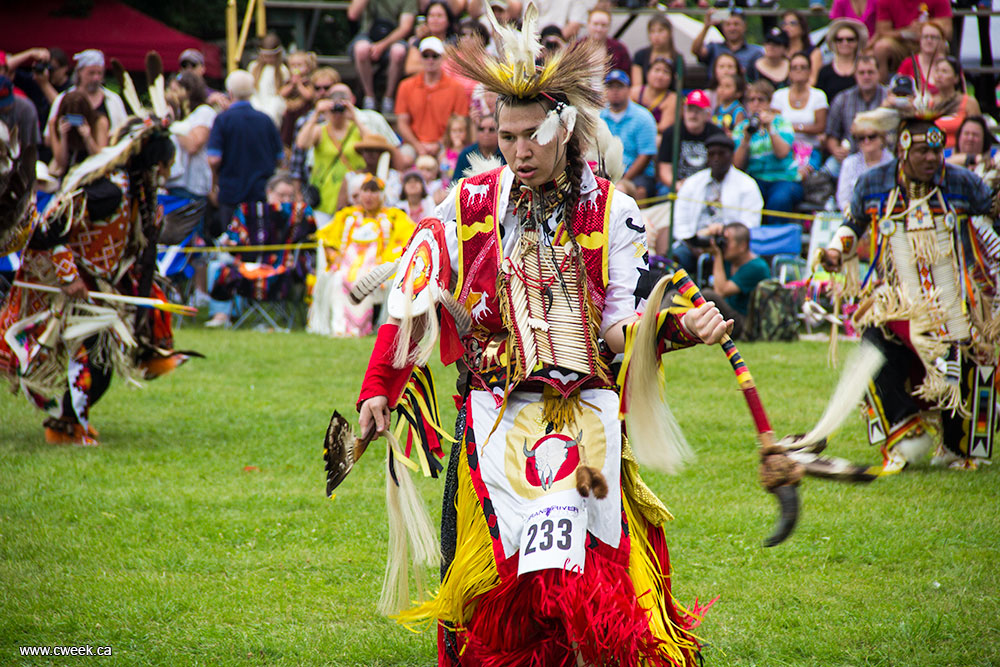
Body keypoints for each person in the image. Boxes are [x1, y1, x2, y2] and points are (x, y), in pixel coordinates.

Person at [353, 15, 736, 664]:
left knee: (593, 595)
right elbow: (410, 299)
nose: (519, 150)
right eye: (506, 136)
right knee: (486, 594)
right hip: (491, 418)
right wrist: (377, 390)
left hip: (582, 419)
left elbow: (620, 323)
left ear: (566, 129)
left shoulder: (611, 210)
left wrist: (675, 327)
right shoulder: (469, 203)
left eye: (532, 135)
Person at [820, 110, 1000, 473]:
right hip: (896, 298)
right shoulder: (874, 183)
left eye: (937, 151)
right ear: (903, 151)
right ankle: (903, 436)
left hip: (954, 295)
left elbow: (990, 216)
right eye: (922, 152)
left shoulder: (962, 182)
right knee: (874, 347)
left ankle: (958, 446)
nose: (932, 159)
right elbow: (853, 222)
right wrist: (837, 250)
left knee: (967, 350)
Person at [0, 118, 187, 446]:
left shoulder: (131, 186)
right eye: (165, 167)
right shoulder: (108, 191)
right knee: (96, 358)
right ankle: (67, 427)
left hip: (94, 283)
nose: (166, 175)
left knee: (98, 357)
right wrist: (70, 278)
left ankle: (69, 423)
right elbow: (48, 232)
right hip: (64, 282)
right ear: (153, 163)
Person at [307, 175, 414, 336]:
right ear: (359, 194)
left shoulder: (393, 217)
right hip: (347, 264)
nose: (369, 196)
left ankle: (359, 328)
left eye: (374, 191)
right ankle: (340, 327)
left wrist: (389, 263)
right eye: (365, 191)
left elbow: (406, 239)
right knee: (338, 279)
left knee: (365, 279)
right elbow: (327, 237)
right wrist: (333, 254)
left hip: (376, 266)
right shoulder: (347, 216)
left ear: (382, 195)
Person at [206, 173, 317, 327]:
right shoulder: (249, 212)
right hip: (248, 268)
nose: (286, 200)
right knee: (217, 267)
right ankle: (222, 316)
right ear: (268, 192)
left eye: (290, 196)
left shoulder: (299, 214)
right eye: (281, 195)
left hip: (282, 271)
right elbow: (232, 239)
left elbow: (311, 233)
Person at [207, 70, 284, 237]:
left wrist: (214, 184)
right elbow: (280, 158)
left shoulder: (223, 120)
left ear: (230, 92)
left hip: (230, 192)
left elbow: (214, 159)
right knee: (258, 242)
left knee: (232, 243)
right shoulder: (265, 120)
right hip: (260, 192)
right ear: (251, 92)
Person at [668, 133, 763, 266]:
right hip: (694, 241)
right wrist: (691, 243)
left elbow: (750, 223)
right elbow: (679, 220)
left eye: (721, 154)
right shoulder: (693, 182)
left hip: (729, 244)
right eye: (712, 154)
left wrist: (726, 232)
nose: (716, 159)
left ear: (731, 155)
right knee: (675, 258)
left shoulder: (747, 185)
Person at [295, 82, 366, 226]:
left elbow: (372, 143)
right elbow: (301, 144)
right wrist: (316, 114)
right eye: (335, 109)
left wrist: (354, 116)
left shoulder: (356, 130)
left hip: (352, 195)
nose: (337, 114)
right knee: (325, 240)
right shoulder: (320, 130)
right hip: (325, 195)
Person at [733, 80, 803, 223]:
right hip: (755, 179)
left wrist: (770, 128)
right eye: (752, 100)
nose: (756, 104)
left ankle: (774, 240)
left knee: (779, 200)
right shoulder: (742, 128)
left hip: (783, 178)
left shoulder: (782, 123)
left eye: (761, 100)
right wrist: (746, 139)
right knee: (746, 196)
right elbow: (737, 165)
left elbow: (782, 153)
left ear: (770, 102)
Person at [395, 37, 470, 158]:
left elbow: (460, 123)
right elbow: (402, 123)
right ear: (420, 57)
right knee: (404, 157)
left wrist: (440, 144)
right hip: (414, 144)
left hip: (445, 145)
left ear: (442, 58)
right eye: (426, 56)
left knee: (450, 160)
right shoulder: (406, 86)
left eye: (435, 56)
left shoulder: (456, 87)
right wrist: (417, 145)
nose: (430, 60)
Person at [700, 221, 770, 339]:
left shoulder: (757, 267)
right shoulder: (729, 259)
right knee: (677, 294)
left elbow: (720, 291)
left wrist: (717, 255)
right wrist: (710, 231)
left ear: (742, 246)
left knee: (708, 295)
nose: (723, 245)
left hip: (745, 324)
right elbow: (693, 240)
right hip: (726, 317)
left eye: (727, 241)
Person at [45, 50, 127, 145]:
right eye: (91, 73)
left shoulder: (113, 100)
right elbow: (48, 139)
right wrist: (62, 134)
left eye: (99, 73)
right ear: (79, 72)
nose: (96, 78)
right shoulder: (63, 99)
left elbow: (125, 137)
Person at [347, 0, 417, 113]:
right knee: (361, 49)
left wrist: (382, 46)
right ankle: (369, 97)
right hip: (367, 36)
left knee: (398, 52)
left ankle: (388, 98)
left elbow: (405, 27)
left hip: (394, 37)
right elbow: (352, 14)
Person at [601, 69, 659, 200]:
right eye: (610, 86)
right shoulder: (598, 115)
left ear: (629, 90)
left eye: (620, 86)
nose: (615, 91)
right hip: (604, 171)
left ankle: (640, 220)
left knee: (640, 191)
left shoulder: (643, 117)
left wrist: (622, 179)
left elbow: (646, 155)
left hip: (636, 174)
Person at [825, 55, 887, 171]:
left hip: (882, 157)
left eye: (870, 72)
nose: (866, 76)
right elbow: (831, 134)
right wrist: (836, 150)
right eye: (862, 73)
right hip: (850, 157)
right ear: (855, 75)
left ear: (878, 73)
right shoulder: (842, 99)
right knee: (829, 168)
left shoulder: (888, 98)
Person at [656, 89, 724, 191]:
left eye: (697, 111)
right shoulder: (671, 133)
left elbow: (721, 169)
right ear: (684, 112)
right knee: (663, 192)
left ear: (707, 114)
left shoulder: (717, 135)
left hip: (707, 185)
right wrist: (677, 185)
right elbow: (665, 169)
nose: (693, 115)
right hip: (678, 184)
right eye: (690, 110)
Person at [771, 52, 829, 171]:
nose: (799, 70)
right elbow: (775, 125)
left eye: (803, 67)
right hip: (785, 149)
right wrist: (804, 128)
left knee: (802, 173)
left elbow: (820, 127)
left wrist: (792, 127)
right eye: (794, 67)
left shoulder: (818, 95)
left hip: (810, 149)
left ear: (809, 71)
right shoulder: (779, 95)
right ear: (789, 72)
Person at [871, 0, 952, 82]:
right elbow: (882, 32)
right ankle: (881, 88)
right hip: (900, 42)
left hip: (927, 39)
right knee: (880, 47)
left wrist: (926, 27)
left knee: (941, 45)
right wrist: (907, 33)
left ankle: (938, 84)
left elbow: (948, 31)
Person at [835, 107, 894, 211]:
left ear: (882, 138)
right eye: (861, 138)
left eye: (871, 136)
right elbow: (843, 200)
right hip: (856, 215)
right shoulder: (849, 163)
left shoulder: (892, 162)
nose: (867, 141)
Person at [49, 91, 108, 178]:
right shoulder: (54, 123)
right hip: (68, 172)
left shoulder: (99, 121)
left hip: (93, 172)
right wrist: (63, 137)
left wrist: (88, 138)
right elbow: (61, 163)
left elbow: (101, 159)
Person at [692, 7, 764, 75]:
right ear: (723, 27)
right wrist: (706, 26)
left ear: (744, 26)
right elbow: (696, 50)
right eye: (728, 24)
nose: (732, 28)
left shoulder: (755, 52)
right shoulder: (714, 48)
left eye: (736, 24)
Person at [931, 57, 981, 150]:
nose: (939, 75)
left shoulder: (969, 103)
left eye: (944, 71)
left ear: (956, 78)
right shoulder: (929, 103)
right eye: (937, 71)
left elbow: (977, 131)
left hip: (961, 154)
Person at [815, 18, 868, 105]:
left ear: (857, 42)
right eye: (839, 39)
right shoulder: (825, 72)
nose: (845, 43)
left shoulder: (866, 69)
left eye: (850, 39)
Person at [404, 0, 459, 76]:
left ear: (448, 20)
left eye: (439, 16)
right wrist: (435, 68)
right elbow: (410, 68)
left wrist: (426, 66)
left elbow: (453, 68)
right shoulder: (419, 42)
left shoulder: (455, 42)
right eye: (431, 16)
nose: (435, 19)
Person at [631, 14, 682, 94]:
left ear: (669, 33)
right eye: (652, 31)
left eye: (660, 31)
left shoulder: (678, 58)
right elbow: (637, 87)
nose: (656, 35)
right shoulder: (640, 55)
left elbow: (678, 89)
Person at [248, 33, 290, 126]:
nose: (268, 59)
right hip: (257, 99)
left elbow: (281, 92)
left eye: (271, 56)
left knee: (273, 109)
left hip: (273, 100)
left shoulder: (282, 70)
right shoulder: (253, 67)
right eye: (266, 56)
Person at [279, 50, 319, 148]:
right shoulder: (288, 81)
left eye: (300, 65)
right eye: (293, 65)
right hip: (290, 113)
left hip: (303, 111)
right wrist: (292, 84)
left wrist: (299, 84)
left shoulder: (309, 82)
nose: (296, 68)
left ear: (308, 67)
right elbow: (281, 94)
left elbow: (308, 96)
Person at [896, 21, 947, 96]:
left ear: (942, 41)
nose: (929, 41)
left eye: (934, 37)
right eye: (925, 37)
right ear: (920, 40)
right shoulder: (908, 64)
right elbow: (895, 91)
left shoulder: (949, 65)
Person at [631, 57, 677, 134]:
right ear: (648, 72)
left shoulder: (673, 98)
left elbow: (663, 127)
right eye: (657, 70)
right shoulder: (634, 92)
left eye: (666, 72)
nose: (660, 76)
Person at [452, 113, 505, 181]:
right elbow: (455, 185)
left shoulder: (505, 153)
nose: (486, 133)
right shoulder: (466, 154)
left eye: (491, 129)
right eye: (481, 129)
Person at [779, 10, 822, 85]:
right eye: (784, 24)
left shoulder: (814, 52)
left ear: (802, 27)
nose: (787, 27)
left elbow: (813, 80)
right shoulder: (780, 51)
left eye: (792, 23)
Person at [584, 6, 631, 75]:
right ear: (588, 24)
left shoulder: (619, 49)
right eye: (595, 24)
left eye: (604, 25)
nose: (599, 29)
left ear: (609, 26)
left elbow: (626, 77)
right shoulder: (575, 47)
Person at [439, 114, 471, 184]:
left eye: (460, 131)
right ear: (449, 133)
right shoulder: (444, 153)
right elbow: (443, 174)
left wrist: (459, 150)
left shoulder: (469, 151)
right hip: (447, 186)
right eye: (454, 131)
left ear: (466, 133)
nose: (457, 134)